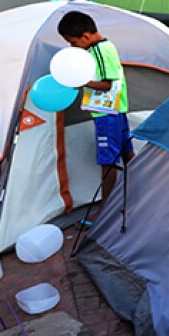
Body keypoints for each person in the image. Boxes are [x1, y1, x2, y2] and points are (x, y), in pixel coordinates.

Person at [57, 11, 132, 204]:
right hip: (116, 110)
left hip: (106, 113)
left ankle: (106, 208)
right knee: (126, 152)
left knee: (108, 161)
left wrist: (81, 82)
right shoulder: (103, 46)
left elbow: (107, 84)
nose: (72, 47)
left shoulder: (100, 50)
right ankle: (136, 193)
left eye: (73, 42)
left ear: (86, 36)